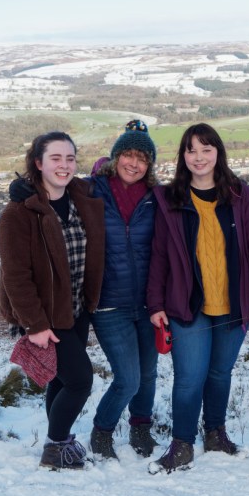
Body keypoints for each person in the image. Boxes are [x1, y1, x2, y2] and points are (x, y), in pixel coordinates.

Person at [146, 122, 249, 474]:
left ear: (218, 152)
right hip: (187, 306)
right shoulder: (169, 199)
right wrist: (155, 305)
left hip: (234, 304)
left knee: (219, 374)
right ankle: (181, 445)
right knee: (190, 377)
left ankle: (216, 435)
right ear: (183, 156)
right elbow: (158, 256)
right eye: (191, 150)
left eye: (206, 149)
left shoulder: (240, 196)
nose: (199, 157)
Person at [0, 131, 105, 471]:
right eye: (55, 158)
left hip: (77, 309)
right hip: (46, 315)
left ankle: (58, 440)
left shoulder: (81, 198)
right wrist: (35, 325)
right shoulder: (18, 213)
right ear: (38, 163)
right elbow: (16, 276)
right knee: (80, 380)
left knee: (61, 379)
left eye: (70, 158)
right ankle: (55, 446)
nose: (64, 165)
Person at [88, 120, 160, 460]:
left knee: (148, 375)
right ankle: (102, 431)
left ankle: (141, 429)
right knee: (128, 379)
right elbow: (51, 190)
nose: (134, 163)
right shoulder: (91, 190)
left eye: (142, 158)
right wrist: (23, 189)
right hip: (108, 304)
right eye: (128, 155)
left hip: (149, 304)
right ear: (116, 157)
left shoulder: (156, 196)